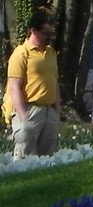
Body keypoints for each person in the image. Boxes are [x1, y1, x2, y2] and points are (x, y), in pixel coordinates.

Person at [3, 9, 60, 159]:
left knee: (47, 158)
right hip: (29, 109)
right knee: (25, 157)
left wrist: (56, 111)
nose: (49, 37)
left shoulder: (51, 53)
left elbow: (54, 82)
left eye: (51, 33)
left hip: (49, 111)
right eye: (45, 33)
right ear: (33, 30)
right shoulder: (21, 53)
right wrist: (24, 115)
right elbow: (14, 87)